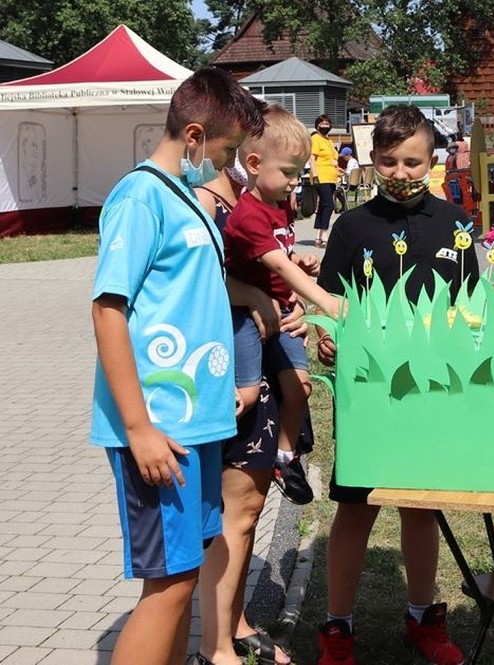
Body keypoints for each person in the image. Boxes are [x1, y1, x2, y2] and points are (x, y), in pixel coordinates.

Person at [89, 66, 265, 665]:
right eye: (227, 150)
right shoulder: (140, 197)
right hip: (161, 431)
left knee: (179, 582)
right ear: (194, 136)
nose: (232, 164)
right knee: (168, 587)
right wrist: (138, 428)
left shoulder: (184, 197)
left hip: (196, 426)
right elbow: (109, 309)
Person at [315, 104, 479, 665]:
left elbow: (469, 308)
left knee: (419, 506)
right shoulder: (350, 226)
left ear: (432, 161)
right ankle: (337, 628)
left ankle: (422, 617)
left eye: (413, 162)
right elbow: (329, 307)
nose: (401, 173)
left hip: (430, 393)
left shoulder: (456, 224)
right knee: (356, 509)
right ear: (372, 160)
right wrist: (328, 339)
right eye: (389, 162)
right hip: (367, 397)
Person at [195, 164, 298, 665]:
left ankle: (234, 626)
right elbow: (200, 277)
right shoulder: (199, 202)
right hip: (232, 377)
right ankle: (215, 648)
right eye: (232, 147)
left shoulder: (249, 204)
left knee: (249, 513)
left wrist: (286, 305)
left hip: (264, 370)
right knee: (233, 517)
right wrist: (257, 296)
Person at [223, 106, 340, 506]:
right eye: (289, 172)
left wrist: (300, 261)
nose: (295, 182)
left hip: (283, 312)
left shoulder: (279, 204)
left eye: (299, 172)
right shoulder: (246, 215)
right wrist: (324, 299)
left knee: (301, 388)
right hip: (246, 315)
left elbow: (281, 257)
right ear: (254, 164)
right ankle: (217, 453)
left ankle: (285, 457)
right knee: (249, 391)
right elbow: (273, 262)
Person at [310, 114, 338, 247]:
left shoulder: (329, 141)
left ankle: (318, 236)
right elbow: (312, 157)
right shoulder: (316, 138)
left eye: (327, 123)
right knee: (329, 205)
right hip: (321, 176)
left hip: (331, 176)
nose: (325, 125)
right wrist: (314, 174)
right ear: (317, 125)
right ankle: (325, 235)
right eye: (322, 123)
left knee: (322, 206)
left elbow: (333, 158)